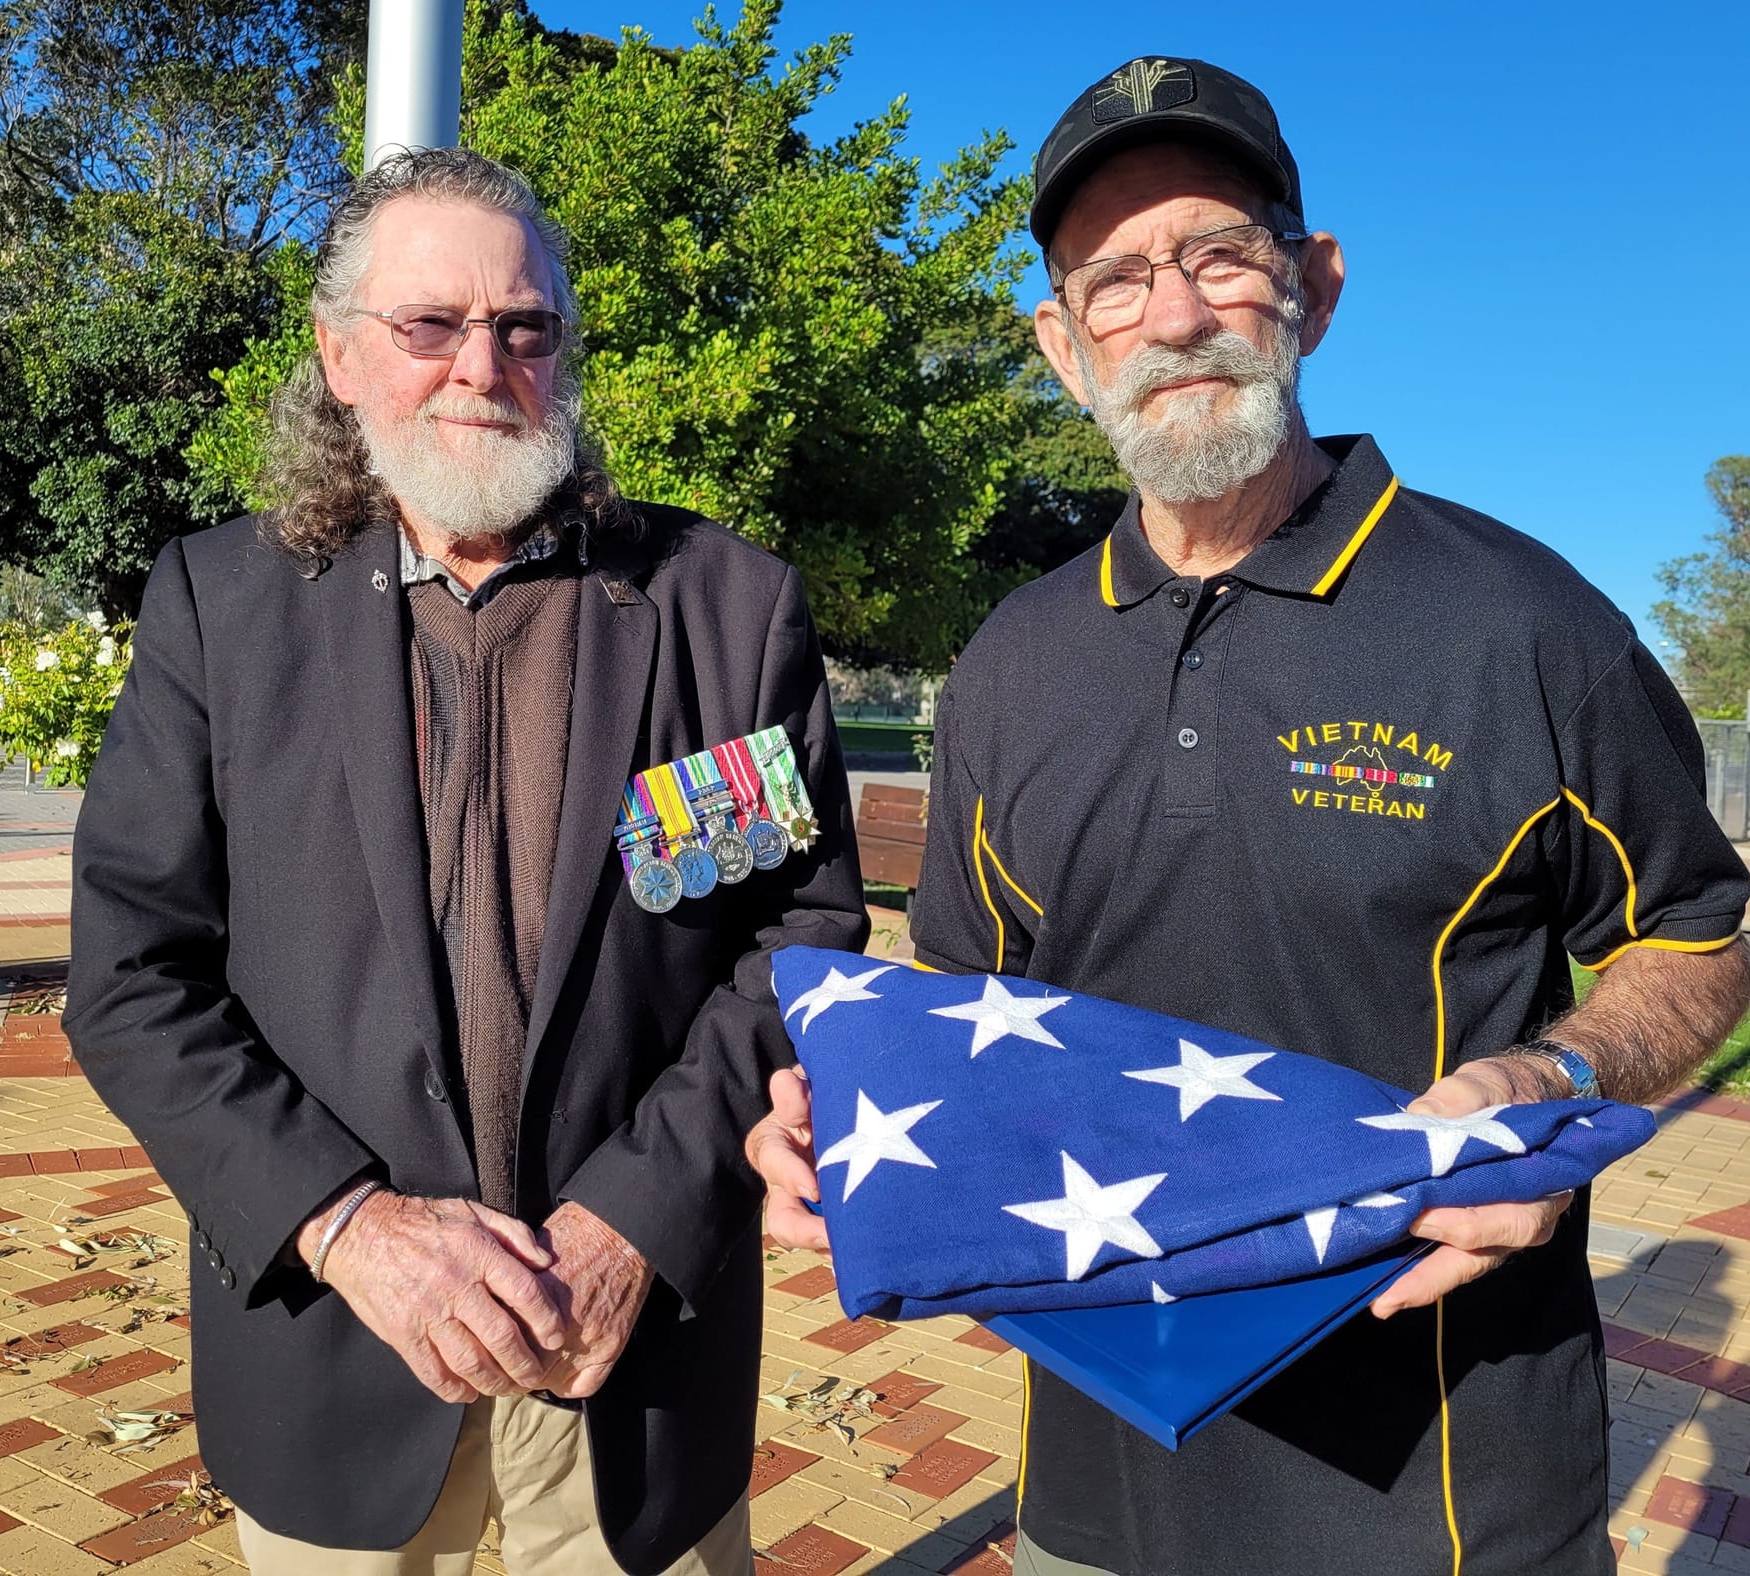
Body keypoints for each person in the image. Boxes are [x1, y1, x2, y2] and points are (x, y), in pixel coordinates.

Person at [747, 56, 1750, 1576]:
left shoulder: (1524, 625)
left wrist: (1552, 1082)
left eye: (1219, 251)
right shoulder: (1014, 660)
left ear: (1314, 286)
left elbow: (1705, 936)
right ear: (1062, 345)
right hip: (1095, 1476)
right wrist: (850, 1106)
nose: (1173, 313)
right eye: (1113, 279)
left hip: (1446, 1481)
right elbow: (958, 998)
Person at [64, 147, 868, 1576]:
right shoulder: (222, 610)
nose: (479, 365)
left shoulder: (722, 608)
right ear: (341, 354)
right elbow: (134, 976)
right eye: (430, 325)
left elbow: (790, 937)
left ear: (563, 351)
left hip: (630, 1353)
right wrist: (347, 1224)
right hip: (340, 1345)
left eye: (523, 327)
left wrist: (642, 1215)